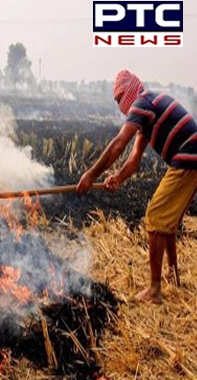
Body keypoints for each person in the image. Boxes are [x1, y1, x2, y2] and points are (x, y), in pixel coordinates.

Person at [76, 70, 197, 304]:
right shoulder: (148, 113)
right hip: (191, 158)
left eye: (121, 98)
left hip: (188, 157)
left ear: (130, 91)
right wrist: (118, 178)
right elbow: (133, 160)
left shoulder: (142, 103)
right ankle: (173, 276)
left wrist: (91, 174)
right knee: (168, 222)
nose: (121, 106)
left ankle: (154, 290)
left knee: (154, 217)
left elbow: (118, 145)